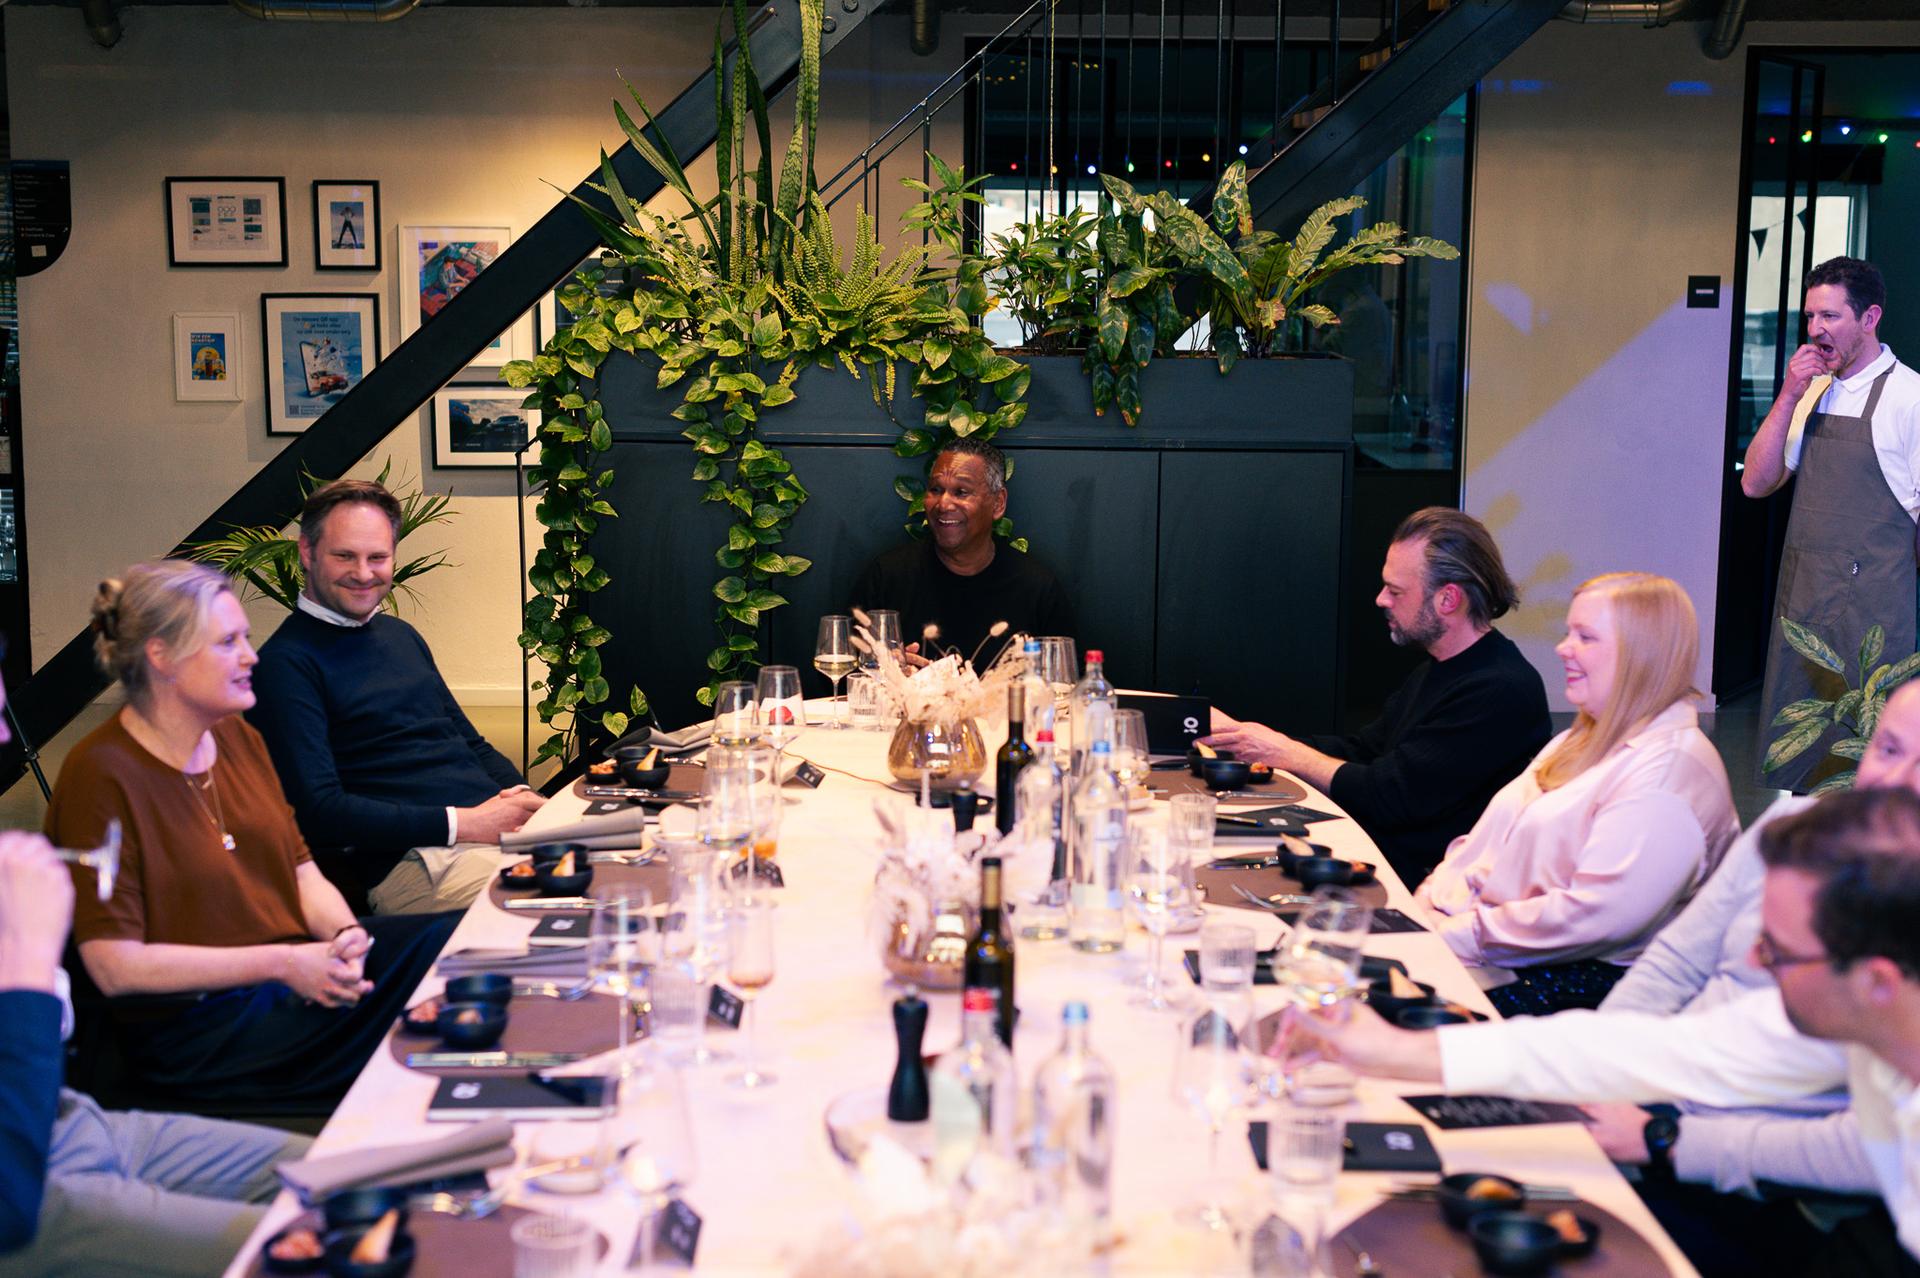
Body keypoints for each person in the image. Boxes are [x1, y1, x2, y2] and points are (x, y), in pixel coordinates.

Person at [1282, 788, 1920, 1273]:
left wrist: (1667, 1141)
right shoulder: (1853, 1019)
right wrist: (1392, 1049)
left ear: (1880, 981)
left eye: (1777, 952)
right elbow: (1639, 1048)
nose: (1752, 965)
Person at [47, 560, 458, 1106]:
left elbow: (300, 868)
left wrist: (343, 937)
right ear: (161, 656)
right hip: (202, 1028)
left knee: (460, 940)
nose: (251, 656)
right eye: (228, 643)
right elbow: (114, 965)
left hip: (290, 972)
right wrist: (284, 964)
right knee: (432, 1022)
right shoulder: (98, 774)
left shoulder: (236, 735)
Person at [1562, 679, 1920, 1275]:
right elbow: (1678, 959)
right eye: (1888, 749)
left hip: (1757, 1187)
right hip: (1652, 1104)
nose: (1892, 783)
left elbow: (1867, 1143)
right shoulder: (1797, 826)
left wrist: (1666, 1141)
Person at [1414, 572, 1738, 1015]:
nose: (1563, 648)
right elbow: (1491, 839)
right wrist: (1432, 899)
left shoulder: (1667, 776)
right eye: (1569, 632)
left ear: (1640, 655)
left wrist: (1457, 935)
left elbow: (1594, 918)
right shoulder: (1588, 734)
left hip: (1581, 992)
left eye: (1585, 637)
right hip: (1494, 946)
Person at [0, 832, 310, 1278]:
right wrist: (28, 956)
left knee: (344, 1173)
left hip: (74, 1121)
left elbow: (55, 1027)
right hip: (28, 1194)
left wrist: (29, 955)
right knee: (325, 1244)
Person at [1204, 507, 1551, 885]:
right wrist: (1245, 742)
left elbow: (1391, 796)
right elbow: (1364, 750)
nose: (1381, 599)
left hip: (1418, 885)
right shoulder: (1440, 668)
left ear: (1448, 600)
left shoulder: (1498, 689)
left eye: (1396, 590)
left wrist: (1285, 753)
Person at [246, 479, 544, 913]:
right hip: (417, 861)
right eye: (344, 555)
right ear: (307, 553)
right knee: (579, 902)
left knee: (645, 867)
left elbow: (470, 743)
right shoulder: (284, 664)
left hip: (490, 835)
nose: (364, 573)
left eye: (378, 557)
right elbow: (320, 811)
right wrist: (466, 823)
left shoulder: (401, 635)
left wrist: (522, 798)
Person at [1743, 257, 1920, 792]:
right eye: (1810, 317)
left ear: (1870, 318)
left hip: (1876, 620)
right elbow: (1756, 482)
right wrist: (1789, 395)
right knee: (1808, 770)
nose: (1816, 330)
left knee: (1875, 774)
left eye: (1830, 316)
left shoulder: (1910, 397)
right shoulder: (1813, 392)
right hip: (1808, 611)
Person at [849, 438, 1075, 669]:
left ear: (998, 503)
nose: (943, 504)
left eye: (961, 492)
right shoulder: (887, 577)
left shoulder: (1037, 588)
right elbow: (846, 675)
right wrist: (890, 675)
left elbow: (1063, 687)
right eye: (935, 489)